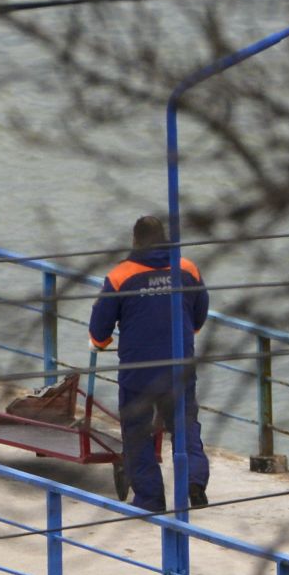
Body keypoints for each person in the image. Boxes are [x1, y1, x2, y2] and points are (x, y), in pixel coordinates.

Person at [88, 216, 210, 512]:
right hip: (179, 364)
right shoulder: (186, 268)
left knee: (138, 430)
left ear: (135, 241)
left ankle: (150, 500)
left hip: (138, 370)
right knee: (185, 426)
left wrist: (101, 343)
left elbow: (99, 329)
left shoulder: (120, 276)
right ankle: (194, 483)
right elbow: (200, 313)